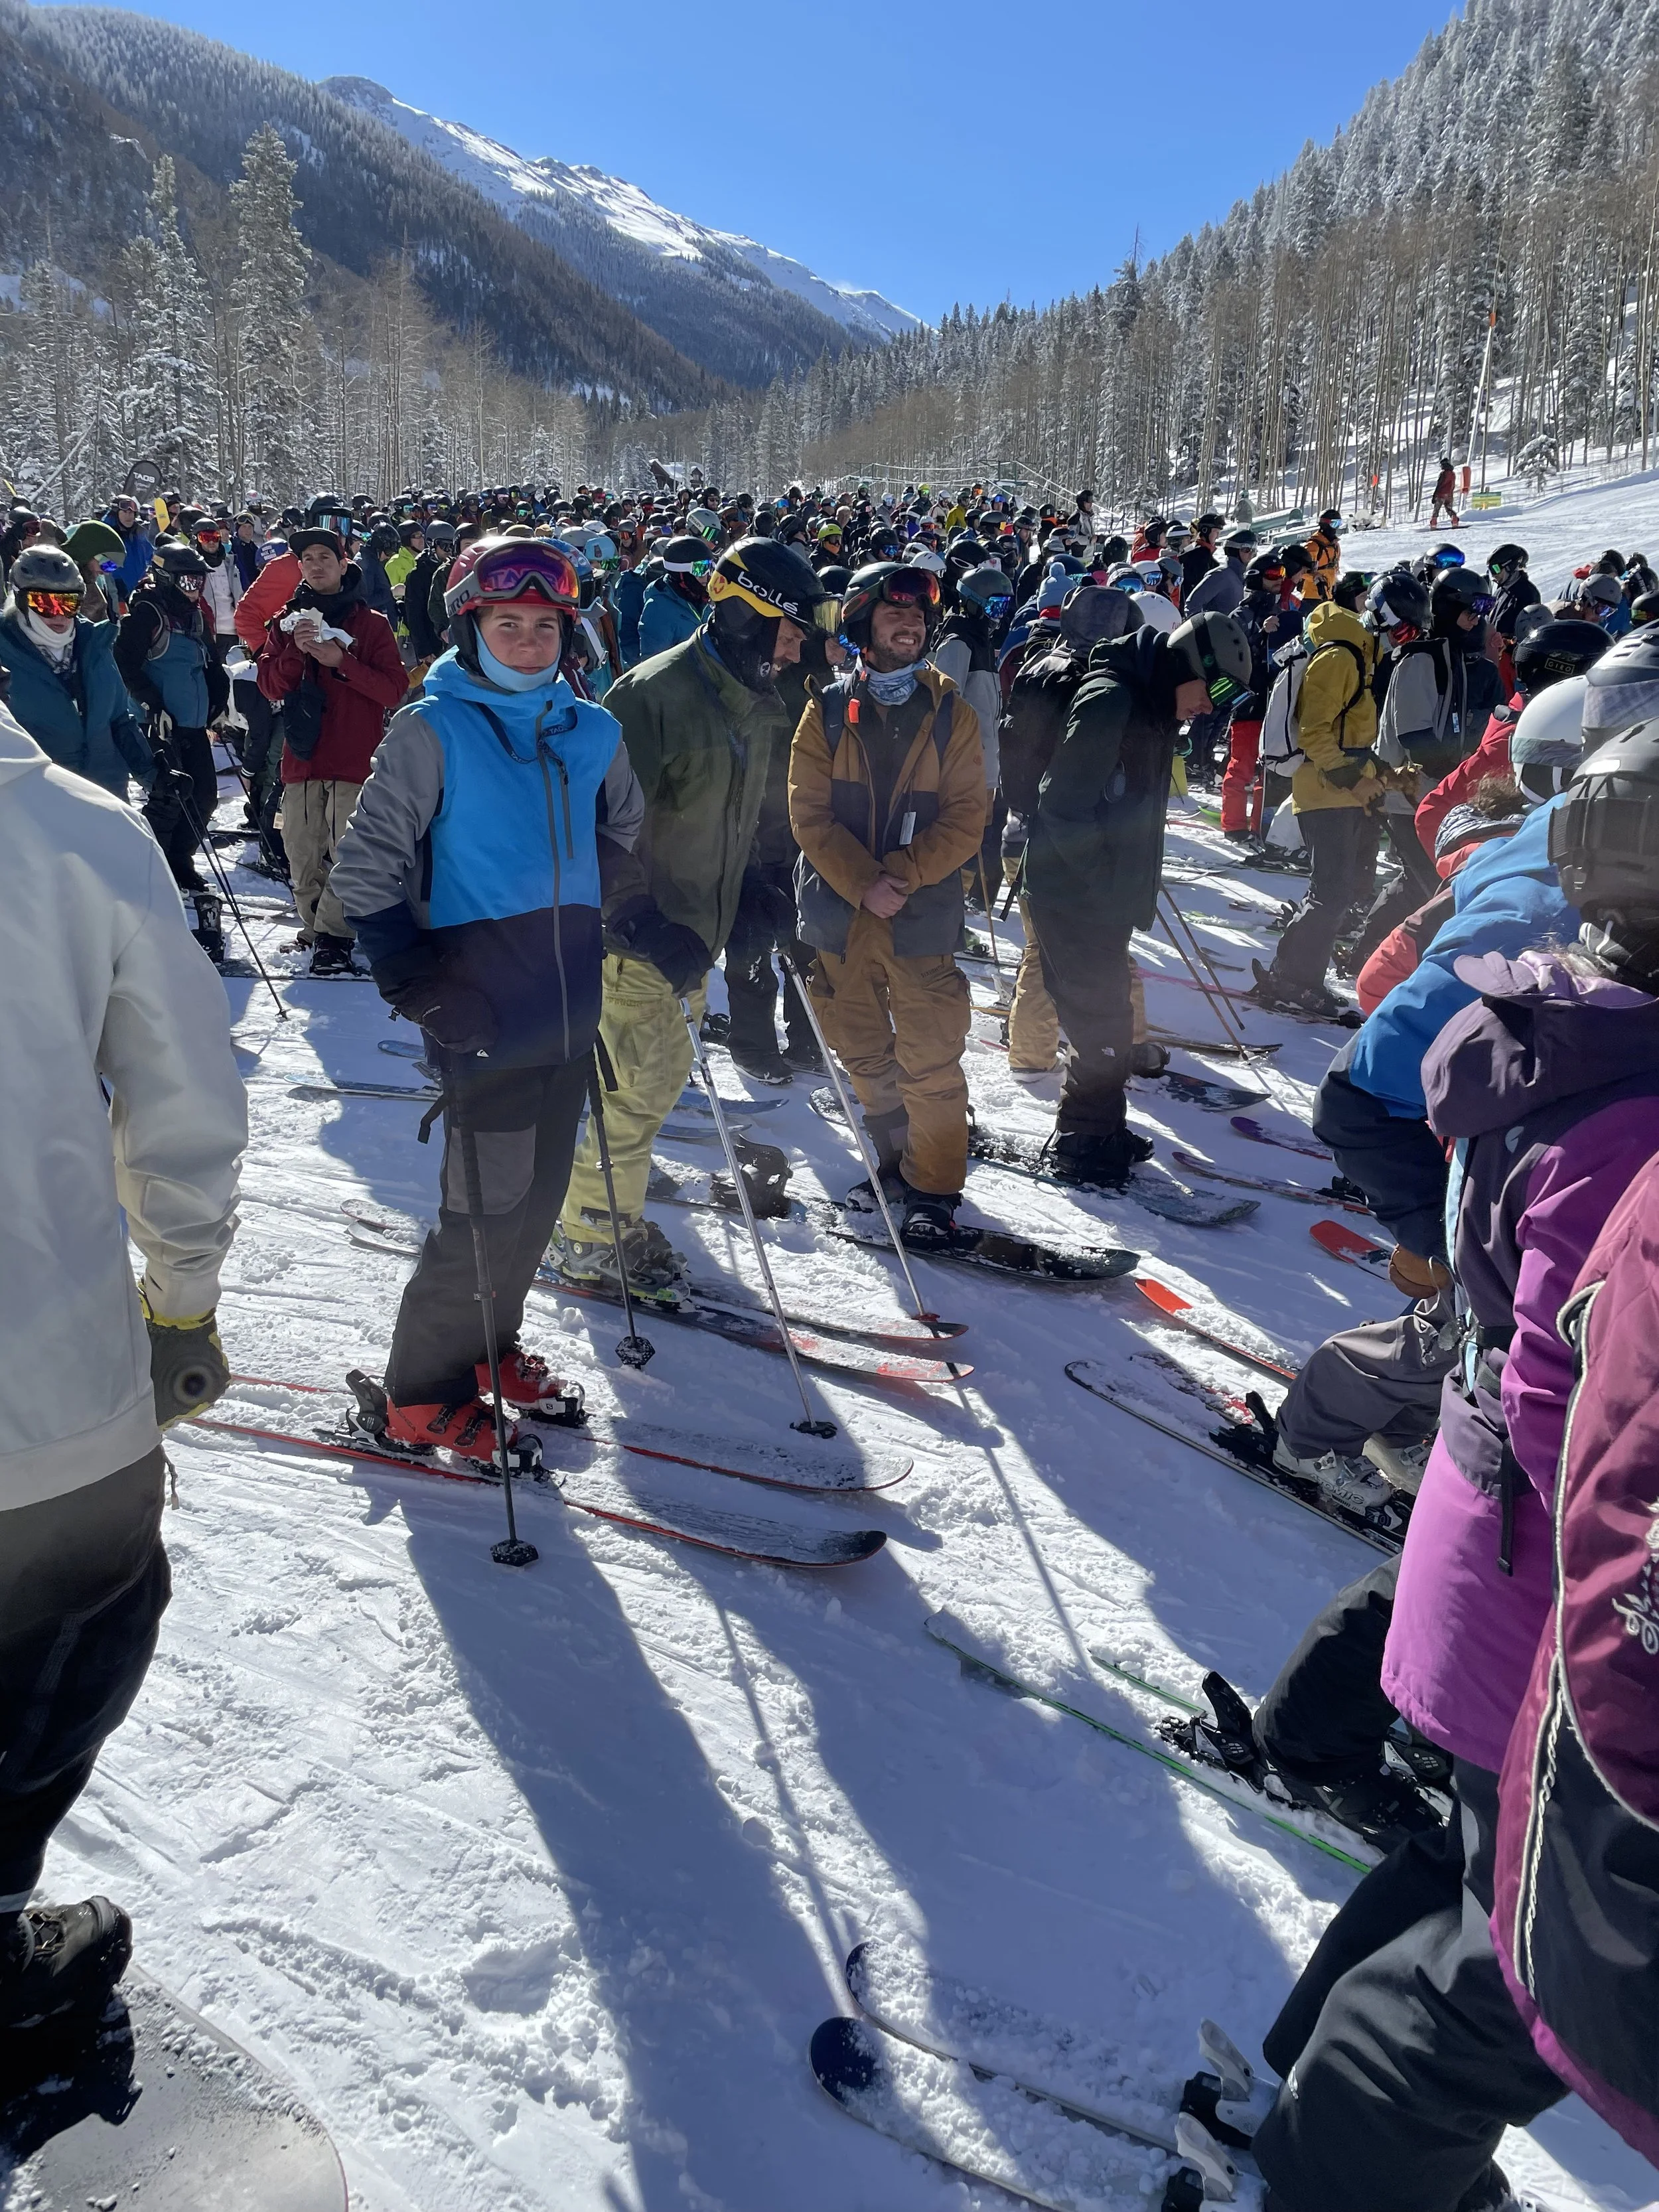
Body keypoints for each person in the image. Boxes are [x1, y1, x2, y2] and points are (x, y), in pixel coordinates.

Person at [1253, 723, 1659, 2212]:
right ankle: (1332, 2142)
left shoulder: (1585, 1038)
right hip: (1534, 1591)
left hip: (1493, 1545)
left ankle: (1309, 2105)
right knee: (1493, 1917)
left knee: (1471, 1895)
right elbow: (1587, 1421)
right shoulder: (1630, 1112)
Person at [0, 690, 245, 2034]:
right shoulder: (75, 832)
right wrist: (183, 1300)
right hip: (40, 1402)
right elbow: (181, 1096)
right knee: (72, 1633)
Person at [328, 538, 643, 1459]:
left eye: (547, 625)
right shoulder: (433, 729)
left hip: (567, 1015)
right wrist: (420, 985)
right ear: (472, 625)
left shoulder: (593, 730)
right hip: (481, 1018)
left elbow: (623, 834)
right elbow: (366, 867)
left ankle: (487, 1348)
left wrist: (613, 909)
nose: (530, 639)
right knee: (480, 1212)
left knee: (537, 1201)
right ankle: (418, 1393)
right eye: (509, 623)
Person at [551, 538, 833, 1295]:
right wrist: (636, 920)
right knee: (631, 1096)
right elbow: (591, 827)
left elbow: (749, 815)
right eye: (790, 625)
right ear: (746, 615)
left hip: (693, 937)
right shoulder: (653, 697)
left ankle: (595, 1212)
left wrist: (761, 887)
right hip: (639, 941)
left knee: (658, 1084)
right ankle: (586, 1237)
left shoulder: (757, 699)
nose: (800, 640)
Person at [789, 561, 987, 1242]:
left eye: (917, 616)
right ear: (861, 626)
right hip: (841, 915)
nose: (909, 624)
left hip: (917, 912)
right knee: (861, 1046)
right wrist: (858, 883)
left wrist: (897, 876)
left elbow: (967, 815)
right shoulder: (825, 711)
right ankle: (896, 1156)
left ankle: (934, 1189)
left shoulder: (950, 715)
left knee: (930, 1054)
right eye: (892, 614)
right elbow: (807, 814)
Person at [1021, 611, 1252, 1185]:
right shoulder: (1111, 701)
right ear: (1185, 665)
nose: (1211, 708)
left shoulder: (1149, 704)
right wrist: (1103, 881)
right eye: (1212, 689)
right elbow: (1063, 805)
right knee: (1097, 1020)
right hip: (1071, 893)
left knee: (1110, 1016)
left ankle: (1101, 1126)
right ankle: (1082, 1142)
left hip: (1100, 894)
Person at [254, 527, 406, 976]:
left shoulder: (371, 624)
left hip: (354, 760)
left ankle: (334, 937)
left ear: (344, 564)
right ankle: (319, 930)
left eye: (325, 556)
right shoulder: (286, 621)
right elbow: (267, 685)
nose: (316, 564)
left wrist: (342, 663)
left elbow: (394, 690)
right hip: (303, 760)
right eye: (307, 558)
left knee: (349, 855)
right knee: (300, 854)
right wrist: (294, 655)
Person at [1248, 578, 1382, 1016]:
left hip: (1339, 787)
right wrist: (1350, 777)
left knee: (1334, 890)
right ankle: (1292, 979)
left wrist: (1374, 773)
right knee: (1332, 891)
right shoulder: (1339, 655)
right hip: (1326, 789)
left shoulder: (1356, 653)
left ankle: (1294, 974)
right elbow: (1314, 729)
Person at [114, 542, 229, 960]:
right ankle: (151, 868)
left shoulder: (194, 615)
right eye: (186, 580)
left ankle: (179, 857)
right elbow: (124, 663)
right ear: (165, 577)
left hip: (194, 724)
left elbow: (209, 662)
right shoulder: (148, 612)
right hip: (161, 723)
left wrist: (219, 695)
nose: (194, 588)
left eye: (199, 580)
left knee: (205, 798)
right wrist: (150, 704)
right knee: (168, 799)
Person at [0, 545, 151, 801]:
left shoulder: (95, 644)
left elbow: (119, 720)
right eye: (45, 603)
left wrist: (152, 773)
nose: (59, 615)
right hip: (39, 805)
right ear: (21, 599)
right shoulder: (5, 651)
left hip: (106, 795)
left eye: (69, 603)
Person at [636, 536, 710, 660]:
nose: (707, 575)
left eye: (710, 567)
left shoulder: (702, 601)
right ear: (681, 572)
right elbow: (654, 665)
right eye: (700, 568)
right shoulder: (658, 610)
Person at [192, 513, 241, 667]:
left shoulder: (230, 563)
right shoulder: (193, 567)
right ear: (197, 540)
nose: (211, 542)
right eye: (205, 538)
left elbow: (239, 595)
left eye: (215, 537)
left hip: (234, 632)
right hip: (210, 633)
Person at [1300, 510, 1343, 603]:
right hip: (1312, 597)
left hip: (1329, 596)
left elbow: (1336, 568)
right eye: (1334, 524)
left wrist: (1337, 584)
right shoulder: (1313, 545)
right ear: (1325, 524)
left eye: (1339, 523)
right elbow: (1300, 571)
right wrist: (1317, 579)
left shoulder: (1335, 546)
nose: (1336, 527)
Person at [1427, 455, 1459, 530]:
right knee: (1449, 509)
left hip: (1441, 494)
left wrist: (1435, 496)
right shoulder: (1453, 474)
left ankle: (1433, 525)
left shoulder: (1443, 474)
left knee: (1436, 510)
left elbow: (1439, 485)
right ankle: (1455, 522)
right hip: (1449, 495)